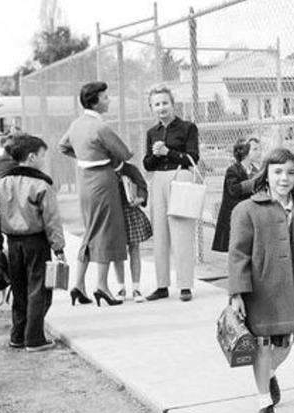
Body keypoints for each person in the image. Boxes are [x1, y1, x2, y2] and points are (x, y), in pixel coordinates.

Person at [228, 148, 294, 413]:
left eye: (290, 172)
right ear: (266, 174)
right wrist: (237, 293)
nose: (284, 178)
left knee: (285, 345)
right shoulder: (248, 209)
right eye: (277, 172)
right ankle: (265, 404)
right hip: (260, 290)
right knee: (262, 346)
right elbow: (238, 255)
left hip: (293, 290)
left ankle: (271, 373)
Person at [0, 134, 66, 351]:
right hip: (36, 242)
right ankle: (34, 338)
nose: (43, 160)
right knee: (39, 290)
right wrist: (58, 248)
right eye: (42, 156)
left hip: (12, 244)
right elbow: (51, 219)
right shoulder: (41, 184)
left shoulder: (1, 184)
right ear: (32, 157)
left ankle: (17, 335)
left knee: (19, 289)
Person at [58, 81, 132, 307]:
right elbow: (126, 154)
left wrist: (84, 158)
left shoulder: (76, 124)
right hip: (103, 181)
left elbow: (63, 146)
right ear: (95, 101)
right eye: (105, 97)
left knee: (90, 232)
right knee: (106, 232)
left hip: (85, 181)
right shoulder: (101, 127)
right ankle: (102, 286)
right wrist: (106, 159)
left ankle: (78, 285)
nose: (108, 100)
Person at [142, 83, 200, 302]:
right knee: (160, 233)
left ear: (173, 104)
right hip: (159, 179)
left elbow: (193, 158)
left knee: (181, 232)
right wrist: (156, 155)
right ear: (152, 108)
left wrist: (169, 152)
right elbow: (147, 164)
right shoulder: (152, 132)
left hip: (180, 176)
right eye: (156, 104)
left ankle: (185, 285)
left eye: (165, 103)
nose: (161, 107)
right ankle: (161, 284)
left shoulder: (187, 128)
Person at [211, 137, 261, 253]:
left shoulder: (255, 170)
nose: (259, 152)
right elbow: (234, 189)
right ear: (245, 152)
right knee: (235, 245)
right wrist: (252, 183)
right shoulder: (233, 170)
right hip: (234, 213)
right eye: (255, 149)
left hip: (249, 213)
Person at [113, 161, 152, 301]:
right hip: (114, 214)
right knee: (117, 252)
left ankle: (136, 289)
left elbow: (142, 186)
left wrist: (140, 198)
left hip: (131, 212)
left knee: (134, 248)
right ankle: (120, 288)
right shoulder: (105, 170)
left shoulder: (130, 169)